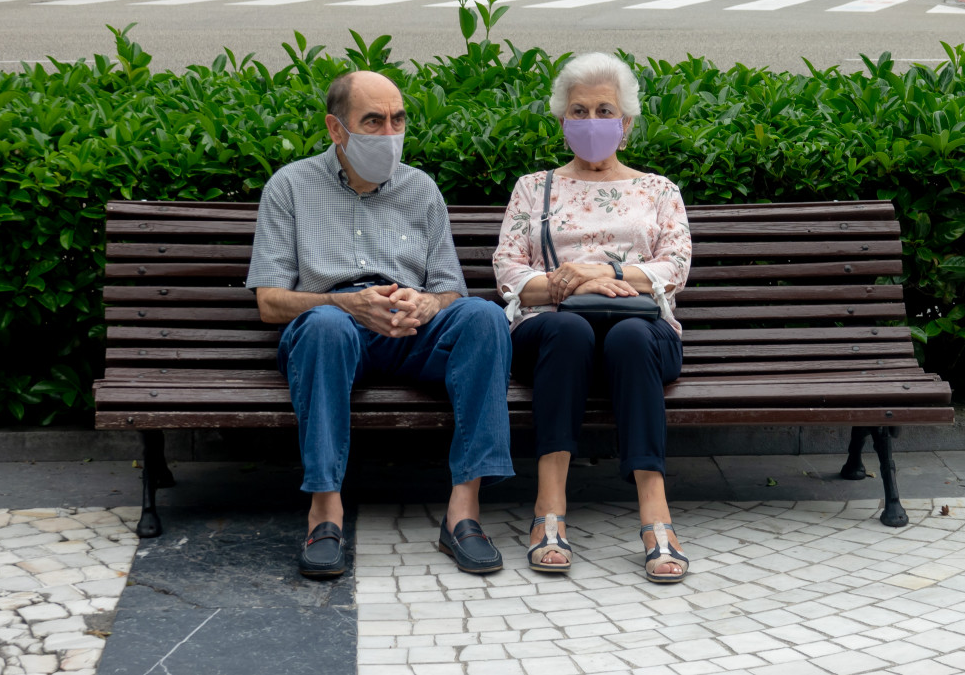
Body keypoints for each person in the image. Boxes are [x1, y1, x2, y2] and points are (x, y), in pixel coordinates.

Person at [247, 71, 515, 579]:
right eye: (373, 121)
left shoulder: (420, 188)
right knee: (324, 326)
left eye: (398, 119)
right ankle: (325, 514)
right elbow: (269, 302)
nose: (390, 132)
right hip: (337, 334)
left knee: (482, 316)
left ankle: (464, 512)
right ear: (336, 128)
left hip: (412, 333)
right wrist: (349, 304)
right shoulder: (290, 186)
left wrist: (427, 306)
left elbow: (449, 288)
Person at [492, 52, 692, 583]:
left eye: (605, 110)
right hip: (553, 329)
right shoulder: (533, 189)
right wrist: (570, 281)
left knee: (628, 335)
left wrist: (602, 272)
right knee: (568, 327)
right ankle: (549, 504)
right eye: (578, 111)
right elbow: (508, 271)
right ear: (562, 122)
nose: (591, 122)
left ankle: (655, 511)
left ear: (626, 123)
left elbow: (675, 266)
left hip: (642, 330)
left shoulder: (658, 190)